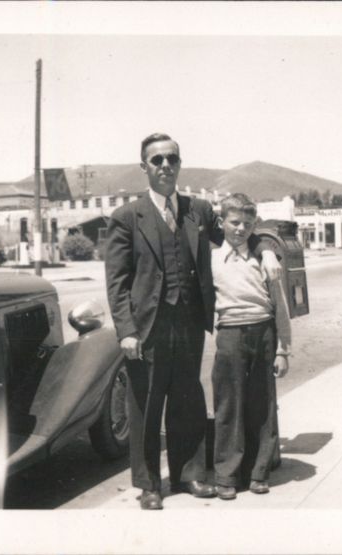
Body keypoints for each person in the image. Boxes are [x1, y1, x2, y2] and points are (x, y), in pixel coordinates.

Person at [104, 133, 282, 510]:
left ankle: (188, 475)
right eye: (157, 160)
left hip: (189, 323)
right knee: (146, 406)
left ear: (180, 164)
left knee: (187, 399)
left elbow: (240, 230)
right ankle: (150, 485)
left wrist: (266, 248)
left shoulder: (197, 210)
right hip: (147, 328)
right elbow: (116, 282)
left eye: (172, 158)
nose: (165, 165)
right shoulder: (127, 217)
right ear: (144, 167)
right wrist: (126, 331)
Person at [211, 193, 291, 500]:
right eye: (234, 222)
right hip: (229, 334)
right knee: (228, 405)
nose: (240, 229)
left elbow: (280, 305)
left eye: (247, 223)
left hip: (263, 331)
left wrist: (283, 349)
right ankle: (227, 475)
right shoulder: (211, 260)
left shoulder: (264, 259)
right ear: (222, 223)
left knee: (262, 404)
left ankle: (259, 473)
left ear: (254, 225)